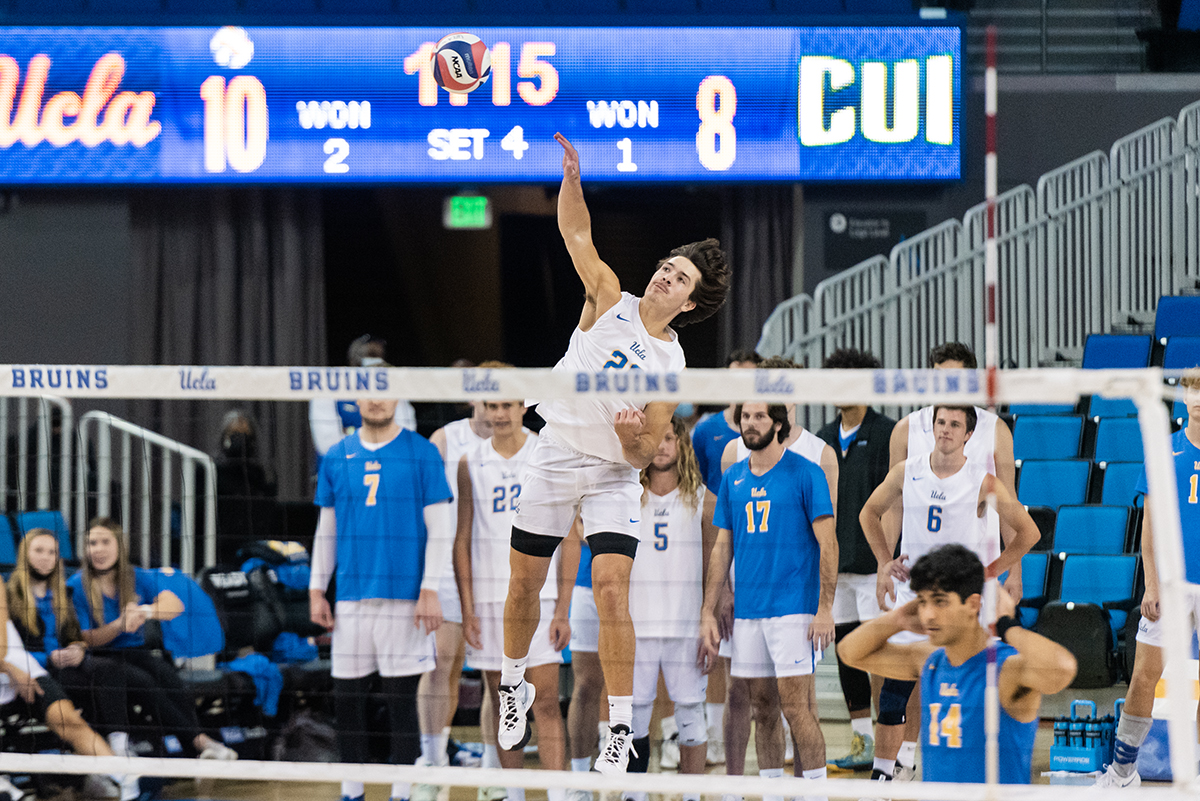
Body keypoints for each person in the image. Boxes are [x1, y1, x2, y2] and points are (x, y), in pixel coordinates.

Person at [497, 132, 731, 775]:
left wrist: (633, 436)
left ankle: (621, 729)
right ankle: (513, 683)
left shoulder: (671, 362)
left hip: (609, 474)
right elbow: (578, 237)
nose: (665, 273)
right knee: (523, 584)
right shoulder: (609, 297)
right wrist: (571, 181)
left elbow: (643, 452)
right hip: (555, 451)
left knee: (609, 586)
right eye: (666, 264)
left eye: (679, 276)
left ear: (689, 302)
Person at [859, 405, 1040, 787]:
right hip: (916, 595)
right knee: (894, 691)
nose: (945, 430)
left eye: (954, 424)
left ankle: (967, 774)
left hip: (962, 604)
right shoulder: (907, 470)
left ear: (968, 436)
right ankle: (883, 778)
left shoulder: (983, 481)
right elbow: (869, 513)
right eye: (941, 422)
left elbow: (1028, 533)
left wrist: (992, 569)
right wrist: (884, 561)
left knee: (966, 688)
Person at [307, 392, 453, 801]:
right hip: (351, 599)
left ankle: (401, 794)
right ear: (355, 399)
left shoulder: (420, 452)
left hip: (405, 600)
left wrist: (429, 589)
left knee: (401, 703)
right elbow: (327, 530)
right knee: (348, 703)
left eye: (385, 391)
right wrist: (317, 588)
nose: (376, 401)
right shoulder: (338, 455)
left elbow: (441, 528)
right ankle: (351, 794)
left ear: (399, 398)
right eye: (368, 391)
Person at [839, 544, 1076, 784]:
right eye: (922, 602)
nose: (928, 614)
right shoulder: (928, 660)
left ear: (973, 604)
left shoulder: (1004, 669)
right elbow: (850, 653)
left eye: (940, 602)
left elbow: (1063, 668)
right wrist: (898, 619)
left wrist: (1007, 624)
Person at [701, 402, 838, 798]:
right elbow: (721, 547)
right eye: (745, 417)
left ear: (778, 423)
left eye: (760, 417)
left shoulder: (806, 473)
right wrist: (708, 609)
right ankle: (772, 791)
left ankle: (814, 793)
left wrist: (824, 608)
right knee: (762, 707)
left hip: (794, 610)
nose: (750, 423)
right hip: (748, 613)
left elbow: (828, 544)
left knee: (797, 708)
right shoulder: (733, 478)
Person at [454, 397, 574, 801]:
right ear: (482, 408)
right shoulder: (470, 461)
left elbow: (571, 533)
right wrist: (468, 609)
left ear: (524, 407)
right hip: (490, 601)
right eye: (492, 404)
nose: (500, 413)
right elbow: (462, 537)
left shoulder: (548, 450)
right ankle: (513, 793)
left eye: (508, 404)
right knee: (507, 707)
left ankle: (558, 795)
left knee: (545, 702)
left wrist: (563, 606)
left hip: (540, 595)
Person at [1095, 367, 1200, 788]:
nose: (1198, 398)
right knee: (1143, 675)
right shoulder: (1166, 450)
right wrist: (1152, 584)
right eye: (1192, 389)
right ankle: (1122, 772)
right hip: (1172, 584)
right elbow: (1150, 528)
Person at [69, 517, 238, 762]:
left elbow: (174, 604)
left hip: (134, 651)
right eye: (92, 543)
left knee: (169, 677)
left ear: (120, 545)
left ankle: (196, 749)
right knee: (145, 682)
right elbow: (85, 639)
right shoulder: (76, 585)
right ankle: (201, 742)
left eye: (105, 542)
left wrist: (146, 611)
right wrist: (119, 625)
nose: (98, 549)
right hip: (100, 656)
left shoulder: (134, 576)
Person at [815, 348, 896, 772]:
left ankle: (890, 745)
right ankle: (863, 740)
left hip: (873, 568)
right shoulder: (822, 437)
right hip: (836, 566)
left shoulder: (887, 433)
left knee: (881, 659)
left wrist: (888, 558)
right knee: (848, 655)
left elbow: (894, 502)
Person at [624, 417, 714, 801]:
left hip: (685, 624)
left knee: (691, 715)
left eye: (668, 438)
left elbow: (716, 561)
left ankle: (692, 795)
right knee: (634, 719)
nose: (661, 447)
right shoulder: (626, 494)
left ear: (681, 445)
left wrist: (709, 614)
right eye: (654, 439)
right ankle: (634, 794)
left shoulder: (702, 497)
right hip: (636, 625)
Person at [0, 577, 140, 801]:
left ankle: (124, 779)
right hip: (12, 670)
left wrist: (12, 668)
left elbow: (1, 640)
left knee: (68, 721)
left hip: (21, 668)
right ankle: (6, 788)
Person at [686, 349, 760, 768]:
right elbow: (695, 495)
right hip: (715, 549)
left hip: (756, 549)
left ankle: (774, 733)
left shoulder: (767, 430)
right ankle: (712, 737)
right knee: (714, 647)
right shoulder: (706, 431)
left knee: (756, 656)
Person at [420, 376, 497, 776]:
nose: (494, 407)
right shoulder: (446, 439)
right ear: (474, 399)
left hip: (496, 569)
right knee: (441, 664)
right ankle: (432, 759)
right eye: (488, 399)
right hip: (450, 565)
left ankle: (492, 763)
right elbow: (425, 505)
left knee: (496, 675)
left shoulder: (526, 444)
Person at [309, 335, 417, 474]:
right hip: (339, 474)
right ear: (354, 359)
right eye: (370, 355)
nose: (376, 362)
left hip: (386, 473)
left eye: (379, 356)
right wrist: (378, 437)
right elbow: (327, 445)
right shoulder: (329, 389)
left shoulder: (393, 390)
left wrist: (350, 431)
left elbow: (404, 438)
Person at [215, 409, 278, 565]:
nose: (240, 440)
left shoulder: (259, 475)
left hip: (254, 549)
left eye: (245, 435)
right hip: (222, 549)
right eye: (235, 434)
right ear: (225, 438)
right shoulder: (212, 471)